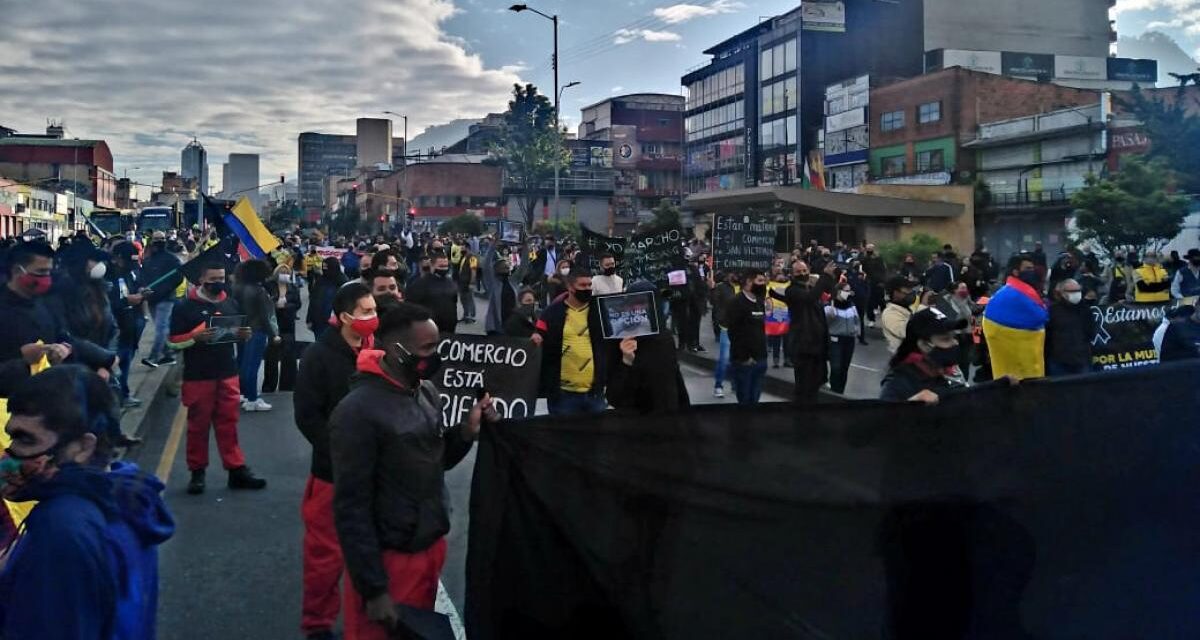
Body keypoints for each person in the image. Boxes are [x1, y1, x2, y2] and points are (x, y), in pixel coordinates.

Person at [330, 303, 497, 639]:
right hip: (390, 560)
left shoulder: (426, 392)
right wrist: (374, 589)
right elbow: (351, 507)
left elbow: (436, 459)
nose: (435, 357)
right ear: (397, 349)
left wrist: (466, 432)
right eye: (427, 349)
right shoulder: (357, 412)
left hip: (427, 547)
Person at [0, 365, 175, 640]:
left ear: (83, 447)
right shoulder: (125, 493)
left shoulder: (60, 531)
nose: (7, 455)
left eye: (24, 439)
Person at [294, 283, 375, 640]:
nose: (373, 317)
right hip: (333, 474)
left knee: (370, 553)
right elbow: (307, 417)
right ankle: (317, 624)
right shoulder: (318, 356)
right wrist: (340, 451)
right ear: (345, 317)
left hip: (374, 473)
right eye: (366, 312)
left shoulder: (376, 349)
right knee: (325, 557)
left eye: (374, 310)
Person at [168, 262, 267, 495]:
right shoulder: (184, 307)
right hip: (198, 375)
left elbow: (235, 335)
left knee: (229, 425)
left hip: (227, 372)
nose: (219, 282)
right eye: (213, 278)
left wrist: (244, 335)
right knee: (197, 427)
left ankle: (236, 470)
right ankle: (197, 472)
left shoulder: (230, 302)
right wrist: (195, 337)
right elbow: (171, 342)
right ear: (201, 279)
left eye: (222, 277)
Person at [0, 241, 115, 397]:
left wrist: (103, 360)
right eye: (40, 272)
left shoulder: (44, 303)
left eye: (49, 271)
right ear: (17, 271)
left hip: (50, 398)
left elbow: (64, 338)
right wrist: (24, 362)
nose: (47, 278)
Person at [605, 282, 691, 414]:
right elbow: (614, 397)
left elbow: (675, 378)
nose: (642, 308)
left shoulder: (665, 337)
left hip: (668, 420)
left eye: (647, 302)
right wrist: (626, 362)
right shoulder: (619, 340)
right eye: (637, 303)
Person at [532, 266, 607, 416]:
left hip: (594, 394)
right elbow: (538, 334)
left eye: (589, 285)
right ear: (570, 287)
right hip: (562, 395)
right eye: (582, 285)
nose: (587, 289)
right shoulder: (552, 313)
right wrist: (536, 338)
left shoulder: (600, 310)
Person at [880, 308, 970, 403]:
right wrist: (910, 405)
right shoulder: (899, 383)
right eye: (946, 339)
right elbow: (884, 415)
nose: (955, 343)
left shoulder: (950, 373)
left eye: (954, 337)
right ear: (924, 345)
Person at [982, 256, 1049, 381]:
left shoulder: (1010, 291)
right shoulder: (1014, 294)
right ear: (1015, 272)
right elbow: (1040, 316)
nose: (1032, 272)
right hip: (1020, 354)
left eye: (1032, 268)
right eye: (1027, 268)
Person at [771, 261, 829, 404]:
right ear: (792, 274)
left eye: (804, 271)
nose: (802, 274)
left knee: (815, 386)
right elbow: (809, 299)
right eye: (798, 272)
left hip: (817, 346)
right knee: (804, 388)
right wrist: (825, 276)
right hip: (804, 347)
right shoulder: (793, 291)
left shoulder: (809, 288)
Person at [234, 259, 281, 412]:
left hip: (244, 328)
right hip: (258, 330)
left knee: (244, 364)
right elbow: (264, 317)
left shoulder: (241, 288)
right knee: (253, 366)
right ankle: (253, 399)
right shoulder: (259, 291)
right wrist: (273, 334)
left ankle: (245, 394)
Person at [108, 242, 147, 408]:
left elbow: (136, 286)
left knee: (125, 363)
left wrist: (142, 292)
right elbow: (106, 303)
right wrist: (126, 301)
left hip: (130, 326)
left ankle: (124, 394)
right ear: (117, 259)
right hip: (114, 330)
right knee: (113, 367)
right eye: (127, 262)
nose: (131, 266)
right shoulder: (107, 276)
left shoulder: (131, 272)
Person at [137, 231, 183, 368]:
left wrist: (163, 290)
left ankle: (154, 357)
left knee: (161, 328)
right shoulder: (148, 261)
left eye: (161, 239)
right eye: (156, 239)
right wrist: (143, 288)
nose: (159, 242)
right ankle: (168, 354)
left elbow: (178, 277)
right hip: (152, 299)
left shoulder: (172, 259)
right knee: (162, 327)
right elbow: (142, 277)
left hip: (166, 299)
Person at [726, 269, 769, 405]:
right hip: (744, 362)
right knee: (745, 399)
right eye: (760, 281)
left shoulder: (759, 301)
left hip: (760, 358)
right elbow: (734, 332)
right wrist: (744, 357)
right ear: (749, 282)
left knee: (755, 398)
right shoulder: (736, 302)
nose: (763, 285)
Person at [263, 265, 302, 394]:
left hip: (288, 323)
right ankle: (269, 385)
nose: (284, 273)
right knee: (271, 356)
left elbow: (298, 303)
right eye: (282, 271)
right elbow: (264, 302)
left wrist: (286, 305)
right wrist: (275, 303)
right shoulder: (269, 286)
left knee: (289, 356)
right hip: (273, 323)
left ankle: (288, 385)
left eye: (286, 272)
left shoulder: (293, 287)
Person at [1044, 278, 1094, 376]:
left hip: (1081, 360)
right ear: (1062, 293)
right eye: (1072, 291)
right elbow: (1048, 336)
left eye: (1078, 291)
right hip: (1059, 362)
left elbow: (1090, 332)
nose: (1076, 294)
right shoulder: (1052, 311)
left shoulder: (1085, 310)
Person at [405, 252, 458, 334]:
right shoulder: (420, 284)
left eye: (446, 266)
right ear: (432, 266)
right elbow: (410, 305)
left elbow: (454, 302)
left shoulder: (451, 282)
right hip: (429, 329)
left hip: (449, 329)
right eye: (441, 266)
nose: (444, 269)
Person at [825, 281, 860, 395]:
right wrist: (829, 317)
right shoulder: (830, 306)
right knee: (836, 367)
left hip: (849, 340)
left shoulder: (851, 305)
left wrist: (855, 330)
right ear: (838, 292)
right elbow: (823, 324)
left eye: (849, 290)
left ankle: (840, 392)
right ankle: (834, 391)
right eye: (846, 290)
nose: (848, 293)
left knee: (844, 368)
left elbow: (856, 320)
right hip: (835, 340)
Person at [936, 282, 976, 371]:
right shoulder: (947, 302)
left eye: (966, 288)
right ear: (954, 290)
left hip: (967, 335)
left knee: (965, 362)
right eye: (962, 288)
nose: (965, 290)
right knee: (954, 361)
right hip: (955, 335)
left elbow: (972, 313)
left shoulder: (967, 300)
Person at [482, 244, 519, 336]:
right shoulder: (492, 282)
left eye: (507, 265)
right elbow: (486, 264)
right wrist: (493, 244)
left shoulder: (513, 281)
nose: (506, 266)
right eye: (502, 265)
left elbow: (524, 267)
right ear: (496, 269)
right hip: (496, 327)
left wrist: (525, 246)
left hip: (512, 325)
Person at [308, 257, 347, 340]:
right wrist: (309, 319)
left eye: (327, 268)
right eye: (324, 268)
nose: (325, 270)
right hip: (318, 321)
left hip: (335, 323)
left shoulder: (342, 282)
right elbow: (313, 300)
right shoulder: (320, 281)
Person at [880, 276, 916, 355]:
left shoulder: (905, 309)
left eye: (911, 289)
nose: (911, 293)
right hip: (902, 358)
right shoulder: (890, 313)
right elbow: (906, 332)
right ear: (896, 293)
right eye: (907, 290)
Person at [764, 270, 791, 368]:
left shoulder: (789, 286)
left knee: (787, 339)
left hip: (786, 313)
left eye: (782, 275)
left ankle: (787, 359)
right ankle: (776, 360)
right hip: (776, 314)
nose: (781, 277)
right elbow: (767, 299)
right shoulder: (769, 287)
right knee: (777, 338)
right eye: (778, 275)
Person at [861, 244, 887, 326]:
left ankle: (885, 319)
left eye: (870, 248)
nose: (869, 250)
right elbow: (863, 269)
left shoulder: (878, 259)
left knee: (881, 301)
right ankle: (871, 319)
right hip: (869, 282)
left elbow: (883, 270)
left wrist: (883, 282)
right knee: (869, 302)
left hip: (879, 282)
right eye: (867, 249)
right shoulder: (864, 259)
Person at [456, 245, 478, 325]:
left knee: (470, 299)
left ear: (467, 248)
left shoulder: (472, 257)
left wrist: (472, 282)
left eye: (462, 248)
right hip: (462, 282)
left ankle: (471, 317)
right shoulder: (464, 257)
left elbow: (473, 270)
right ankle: (465, 315)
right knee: (463, 299)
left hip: (468, 282)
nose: (461, 249)